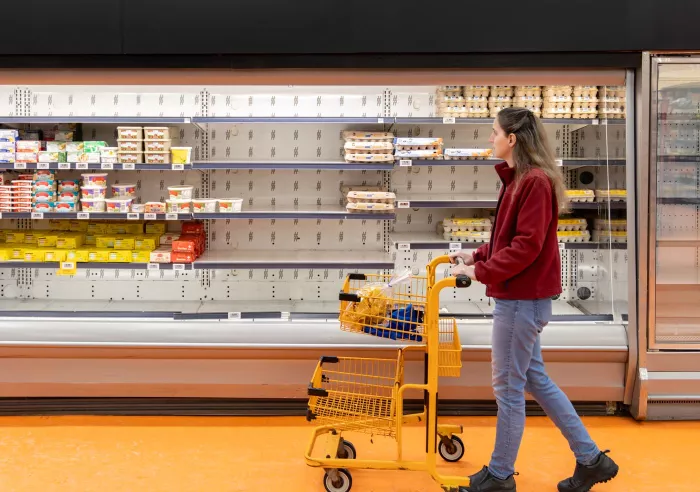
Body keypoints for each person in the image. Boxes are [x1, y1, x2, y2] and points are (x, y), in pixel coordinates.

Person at [449, 107, 619, 492]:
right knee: (534, 379)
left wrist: (482, 273)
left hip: (522, 301)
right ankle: (592, 460)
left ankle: (500, 474)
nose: (489, 138)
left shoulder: (534, 182)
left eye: (493, 132)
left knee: (508, 388)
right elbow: (509, 239)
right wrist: (476, 256)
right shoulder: (518, 180)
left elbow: (527, 246)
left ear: (512, 139)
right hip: (521, 299)